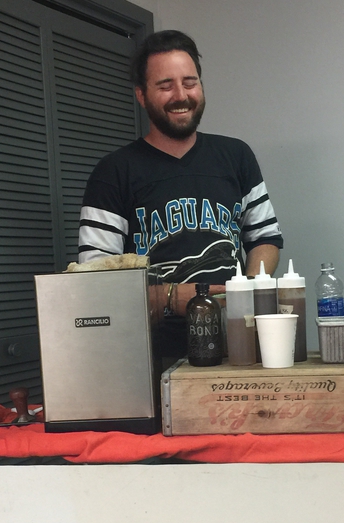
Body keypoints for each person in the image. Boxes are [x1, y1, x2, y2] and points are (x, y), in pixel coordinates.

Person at [78, 30, 283, 354]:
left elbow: (265, 238)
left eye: (190, 82)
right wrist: (169, 296)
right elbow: (96, 278)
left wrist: (247, 290)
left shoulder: (236, 156)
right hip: (149, 355)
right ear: (141, 95)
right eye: (165, 86)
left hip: (235, 346)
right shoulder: (113, 172)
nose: (181, 95)